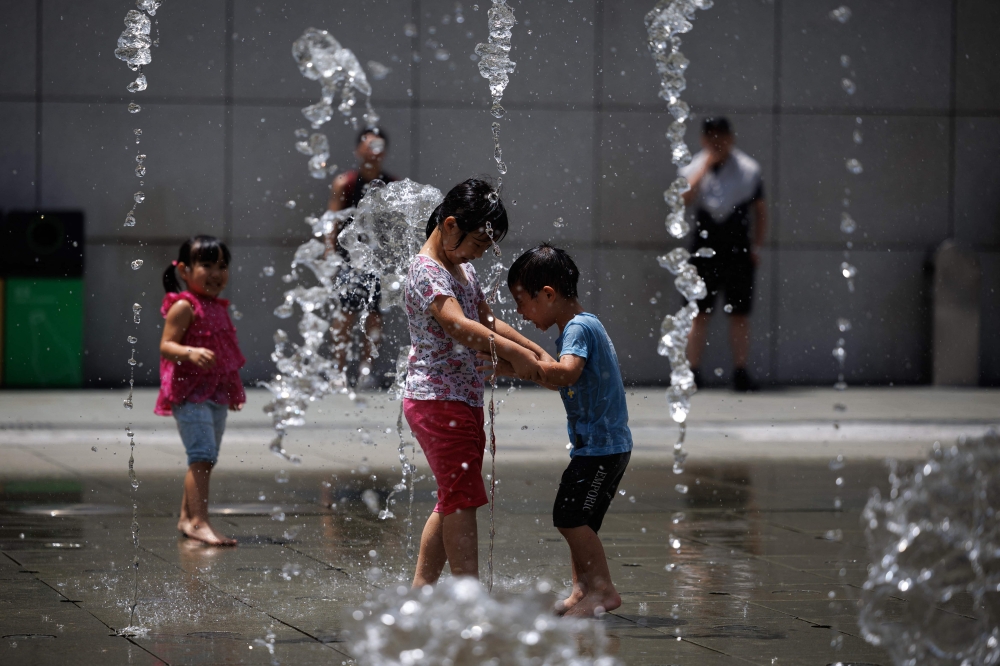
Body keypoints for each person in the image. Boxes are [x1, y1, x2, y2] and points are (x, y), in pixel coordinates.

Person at [403, 178, 551, 587]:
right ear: (450, 225)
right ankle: (469, 598)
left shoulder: (461, 268)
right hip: (435, 399)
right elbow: (457, 326)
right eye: (479, 244)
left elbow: (486, 321)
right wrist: (517, 357)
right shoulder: (426, 271)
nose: (480, 254)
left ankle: (421, 591)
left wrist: (532, 349)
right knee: (463, 498)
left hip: (460, 398)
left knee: (453, 497)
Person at [488, 243, 632, 618]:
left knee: (569, 517)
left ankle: (603, 591)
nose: (520, 312)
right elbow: (559, 378)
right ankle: (581, 591)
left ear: (548, 294)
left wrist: (523, 363)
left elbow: (566, 373)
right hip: (598, 447)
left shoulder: (578, 328)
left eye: (522, 301)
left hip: (602, 448)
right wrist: (507, 368)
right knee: (577, 522)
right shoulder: (582, 326)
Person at [156, 235, 246, 547]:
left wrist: (232, 391)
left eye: (222, 266)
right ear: (184, 270)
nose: (216, 273)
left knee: (205, 458)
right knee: (202, 456)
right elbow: (166, 345)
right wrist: (189, 353)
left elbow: (226, 354)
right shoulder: (184, 306)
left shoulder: (218, 306)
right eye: (206, 265)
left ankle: (185, 518)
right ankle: (199, 521)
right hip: (189, 394)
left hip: (215, 395)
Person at [679, 116, 767, 392]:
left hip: (737, 249)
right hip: (704, 250)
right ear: (704, 140)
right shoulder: (694, 167)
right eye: (712, 137)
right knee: (698, 312)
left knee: (739, 313)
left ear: (731, 138)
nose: (718, 142)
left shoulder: (749, 169)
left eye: (722, 137)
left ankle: (740, 372)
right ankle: (692, 372)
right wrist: (705, 166)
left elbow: (761, 211)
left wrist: (757, 246)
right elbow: (684, 199)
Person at [326, 127, 397, 386]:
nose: (373, 152)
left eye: (377, 146)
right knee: (345, 313)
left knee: (375, 314)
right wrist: (329, 254)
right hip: (349, 258)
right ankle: (339, 369)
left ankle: (367, 369)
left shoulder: (391, 184)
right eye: (368, 146)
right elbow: (332, 221)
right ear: (358, 150)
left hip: (377, 260)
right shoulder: (345, 183)